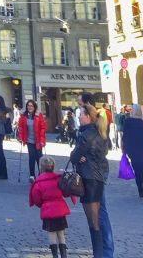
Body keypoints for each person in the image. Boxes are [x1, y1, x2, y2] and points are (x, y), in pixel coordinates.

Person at [71, 105, 108, 258]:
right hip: (98, 178)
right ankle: (100, 253)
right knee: (96, 220)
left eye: (81, 114)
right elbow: (103, 154)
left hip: (88, 178)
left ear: (88, 117)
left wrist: (80, 156)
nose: (79, 117)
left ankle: (98, 254)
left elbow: (74, 157)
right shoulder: (100, 132)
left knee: (93, 223)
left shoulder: (86, 134)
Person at [29, 155, 73, 258]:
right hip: (60, 209)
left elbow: (37, 199)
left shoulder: (38, 182)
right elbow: (65, 192)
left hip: (48, 210)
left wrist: (43, 205)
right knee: (61, 233)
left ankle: (55, 255)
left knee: (51, 233)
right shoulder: (58, 178)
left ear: (41, 167)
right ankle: (64, 255)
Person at [121, 103, 143, 197]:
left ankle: (140, 188)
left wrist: (124, 148)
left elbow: (125, 136)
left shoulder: (127, 122)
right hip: (142, 149)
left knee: (136, 169)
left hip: (132, 150)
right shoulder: (142, 123)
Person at [18, 99, 47, 181]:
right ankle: (32, 175)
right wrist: (21, 137)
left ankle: (41, 174)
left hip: (38, 141)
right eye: (28, 105)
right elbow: (21, 127)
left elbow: (43, 128)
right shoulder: (23, 116)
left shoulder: (38, 116)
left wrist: (42, 140)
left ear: (34, 107)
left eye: (31, 106)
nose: (30, 107)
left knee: (39, 158)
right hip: (29, 141)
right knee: (31, 157)